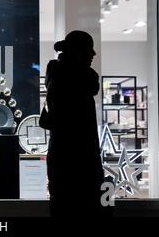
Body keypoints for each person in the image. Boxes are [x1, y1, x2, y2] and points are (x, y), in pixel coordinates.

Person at [44, 30, 107, 216]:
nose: (93, 55)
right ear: (78, 53)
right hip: (79, 164)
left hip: (64, 161)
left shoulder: (59, 78)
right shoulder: (76, 81)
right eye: (89, 50)